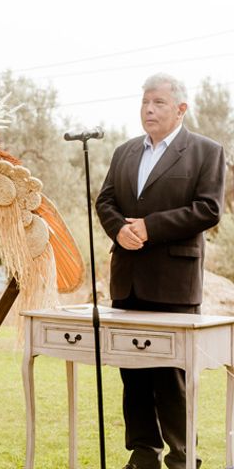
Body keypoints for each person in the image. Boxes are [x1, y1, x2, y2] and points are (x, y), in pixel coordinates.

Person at [96, 73, 226, 469]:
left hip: (174, 284)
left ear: (180, 109)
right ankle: (142, 456)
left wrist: (149, 227)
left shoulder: (206, 151)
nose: (148, 110)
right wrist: (120, 229)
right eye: (144, 103)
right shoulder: (124, 152)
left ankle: (185, 458)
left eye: (158, 103)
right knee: (132, 377)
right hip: (128, 281)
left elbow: (208, 209)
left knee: (171, 379)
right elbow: (105, 201)